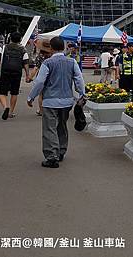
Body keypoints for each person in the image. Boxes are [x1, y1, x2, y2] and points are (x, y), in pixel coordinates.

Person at [27, 36, 85, 168]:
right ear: (64, 48)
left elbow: (40, 82)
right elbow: (79, 79)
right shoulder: (71, 62)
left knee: (49, 128)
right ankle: (61, 151)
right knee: (62, 126)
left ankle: (51, 156)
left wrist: (31, 97)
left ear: (51, 48)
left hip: (50, 101)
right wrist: (82, 94)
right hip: (67, 101)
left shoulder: (47, 63)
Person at [0, 32, 30, 120]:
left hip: (5, 71)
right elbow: (26, 63)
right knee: (14, 92)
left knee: (2, 93)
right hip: (17, 72)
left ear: (10, 38)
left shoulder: (4, 47)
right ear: (20, 39)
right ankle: (11, 112)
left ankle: (5, 107)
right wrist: (27, 75)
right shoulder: (23, 49)